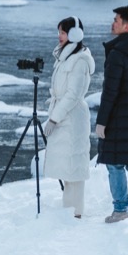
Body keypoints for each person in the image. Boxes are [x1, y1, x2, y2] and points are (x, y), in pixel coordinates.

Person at [95, 5, 128, 223]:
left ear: (126, 26)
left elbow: (110, 92)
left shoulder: (117, 54)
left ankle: (120, 210)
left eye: (116, 19)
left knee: (115, 163)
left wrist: (101, 122)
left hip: (119, 117)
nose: (113, 23)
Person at [42, 15, 95, 218]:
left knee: (74, 167)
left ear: (75, 34)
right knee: (67, 168)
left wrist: (55, 117)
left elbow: (73, 95)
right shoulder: (65, 56)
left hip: (72, 119)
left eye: (63, 32)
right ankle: (68, 210)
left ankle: (76, 213)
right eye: (59, 32)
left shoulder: (80, 61)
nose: (59, 36)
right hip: (63, 114)